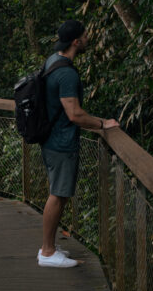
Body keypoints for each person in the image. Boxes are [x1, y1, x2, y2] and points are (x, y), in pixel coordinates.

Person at [38, 19, 119, 268]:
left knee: (59, 194)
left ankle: (49, 245)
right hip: (61, 143)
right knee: (58, 195)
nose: (88, 38)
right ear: (76, 41)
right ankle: (47, 252)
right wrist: (102, 123)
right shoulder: (66, 73)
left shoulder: (53, 61)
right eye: (85, 35)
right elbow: (74, 114)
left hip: (51, 139)